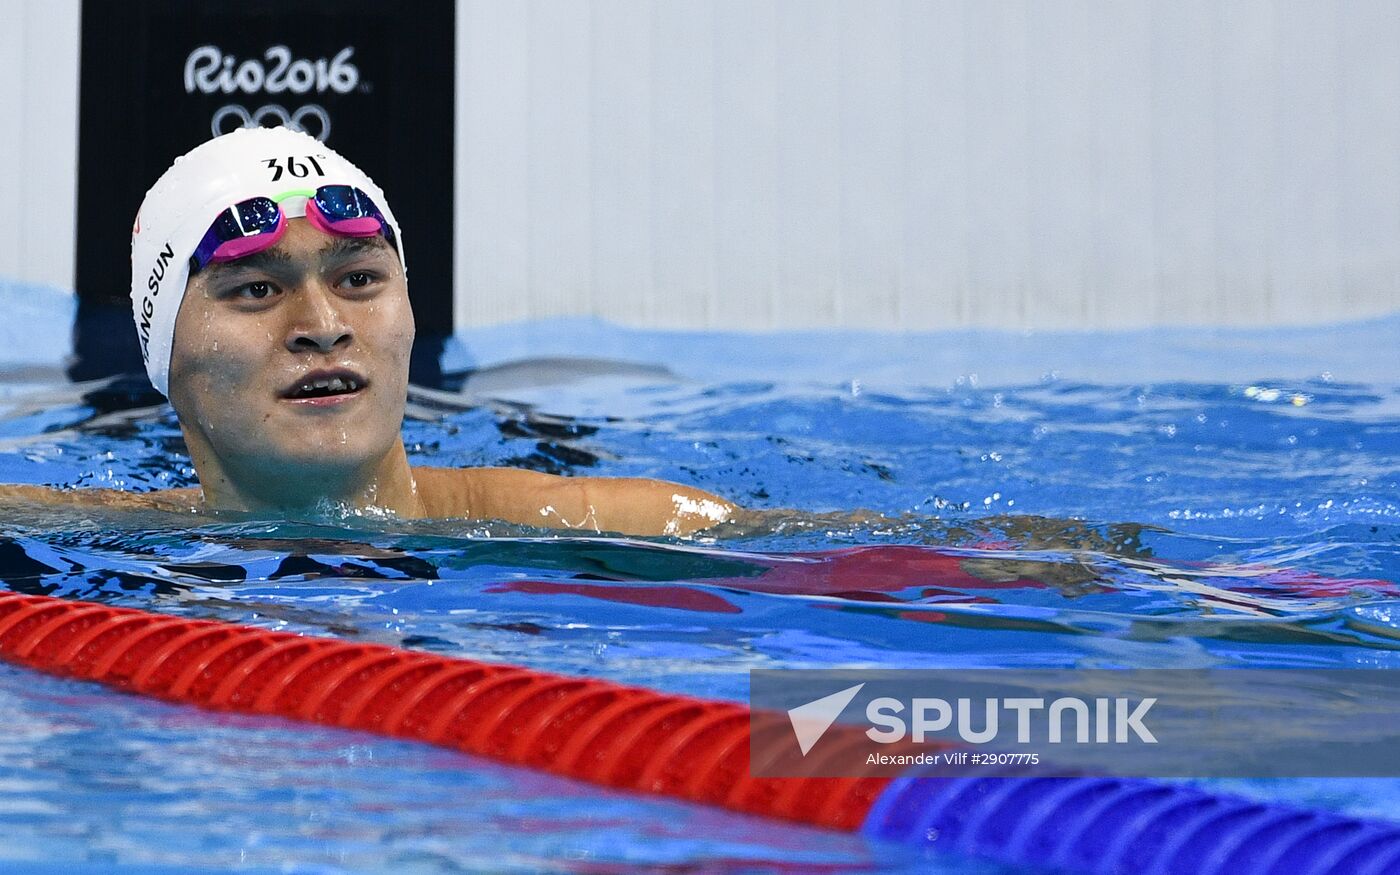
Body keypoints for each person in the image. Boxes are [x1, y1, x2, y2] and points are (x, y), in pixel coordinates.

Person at [1, 127, 736, 537]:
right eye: (257, 288)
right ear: (164, 355)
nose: (323, 328)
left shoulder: (640, 527)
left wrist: (832, 758)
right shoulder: (94, 539)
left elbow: (833, 729)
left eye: (358, 280)